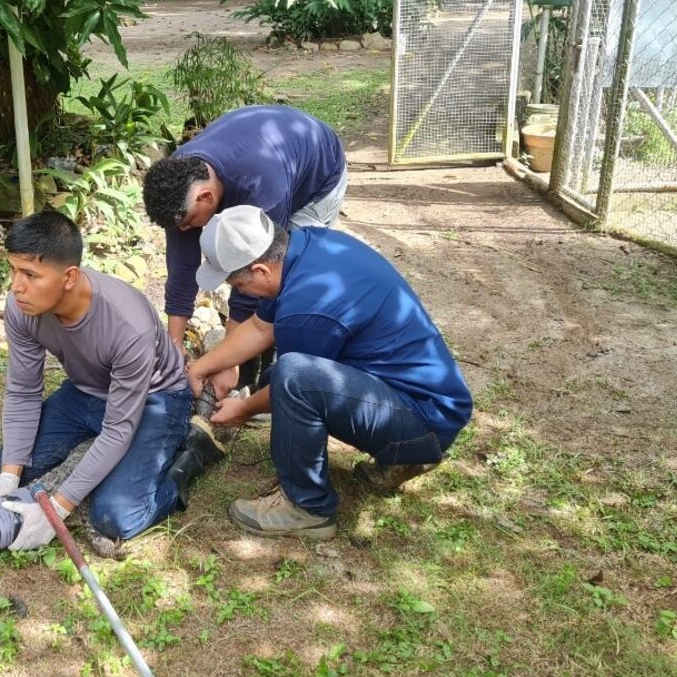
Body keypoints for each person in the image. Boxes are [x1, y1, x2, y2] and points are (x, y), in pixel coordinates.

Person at [185, 206, 473, 541]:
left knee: (290, 375)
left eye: (238, 284)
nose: (240, 292)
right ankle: (406, 456)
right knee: (286, 375)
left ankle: (307, 507)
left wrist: (243, 410)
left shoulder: (307, 305)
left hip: (424, 422)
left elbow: (295, 385)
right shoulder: (309, 247)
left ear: (261, 270)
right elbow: (261, 328)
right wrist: (201, 367)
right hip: (432, 403)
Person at [0, 211, 195, 550]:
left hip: (156, 397)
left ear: (69, 277)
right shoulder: (21, 307)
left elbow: (119, 427)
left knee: (116, 516)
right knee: (11, 467)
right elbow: (22, 391)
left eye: (30, 274)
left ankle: (188, 460)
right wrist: (7, 480)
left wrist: (58, 511)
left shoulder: (127, 325)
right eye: (13, 270)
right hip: (87, 391)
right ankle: (90, 454)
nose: (15, 286)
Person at [142, 105, 347, 387]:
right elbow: (181, 268)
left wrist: (229, 361)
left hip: (317, 178)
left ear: (206, 197)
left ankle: (275, 372)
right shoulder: (177, 185)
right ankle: (246, 365)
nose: (184, 231)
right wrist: (173, 346)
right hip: (263, 152)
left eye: (188, 223)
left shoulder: (261, 186)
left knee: (286, 274)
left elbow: (252, 277)